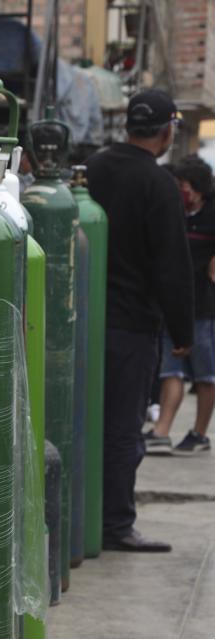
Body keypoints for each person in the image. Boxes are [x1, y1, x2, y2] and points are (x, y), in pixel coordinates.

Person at [85, 89, 194, 553]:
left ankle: (79, 516)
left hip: (81, 318)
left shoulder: (92, 168)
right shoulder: (158, 183)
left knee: (81, 419)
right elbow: (171, 263)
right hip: (130, 326)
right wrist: (183, 331)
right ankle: (114, 524)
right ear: (168, 130)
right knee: (122, 427)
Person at [145, 155, 215, 455]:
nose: (180, 191)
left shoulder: (212, 214)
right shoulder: (174, 212)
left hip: (204, 308)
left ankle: (199, 434)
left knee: (205, 374)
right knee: (170, 369)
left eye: (183, 185)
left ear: (197, 188)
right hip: (173, 304)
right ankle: (162, 431)